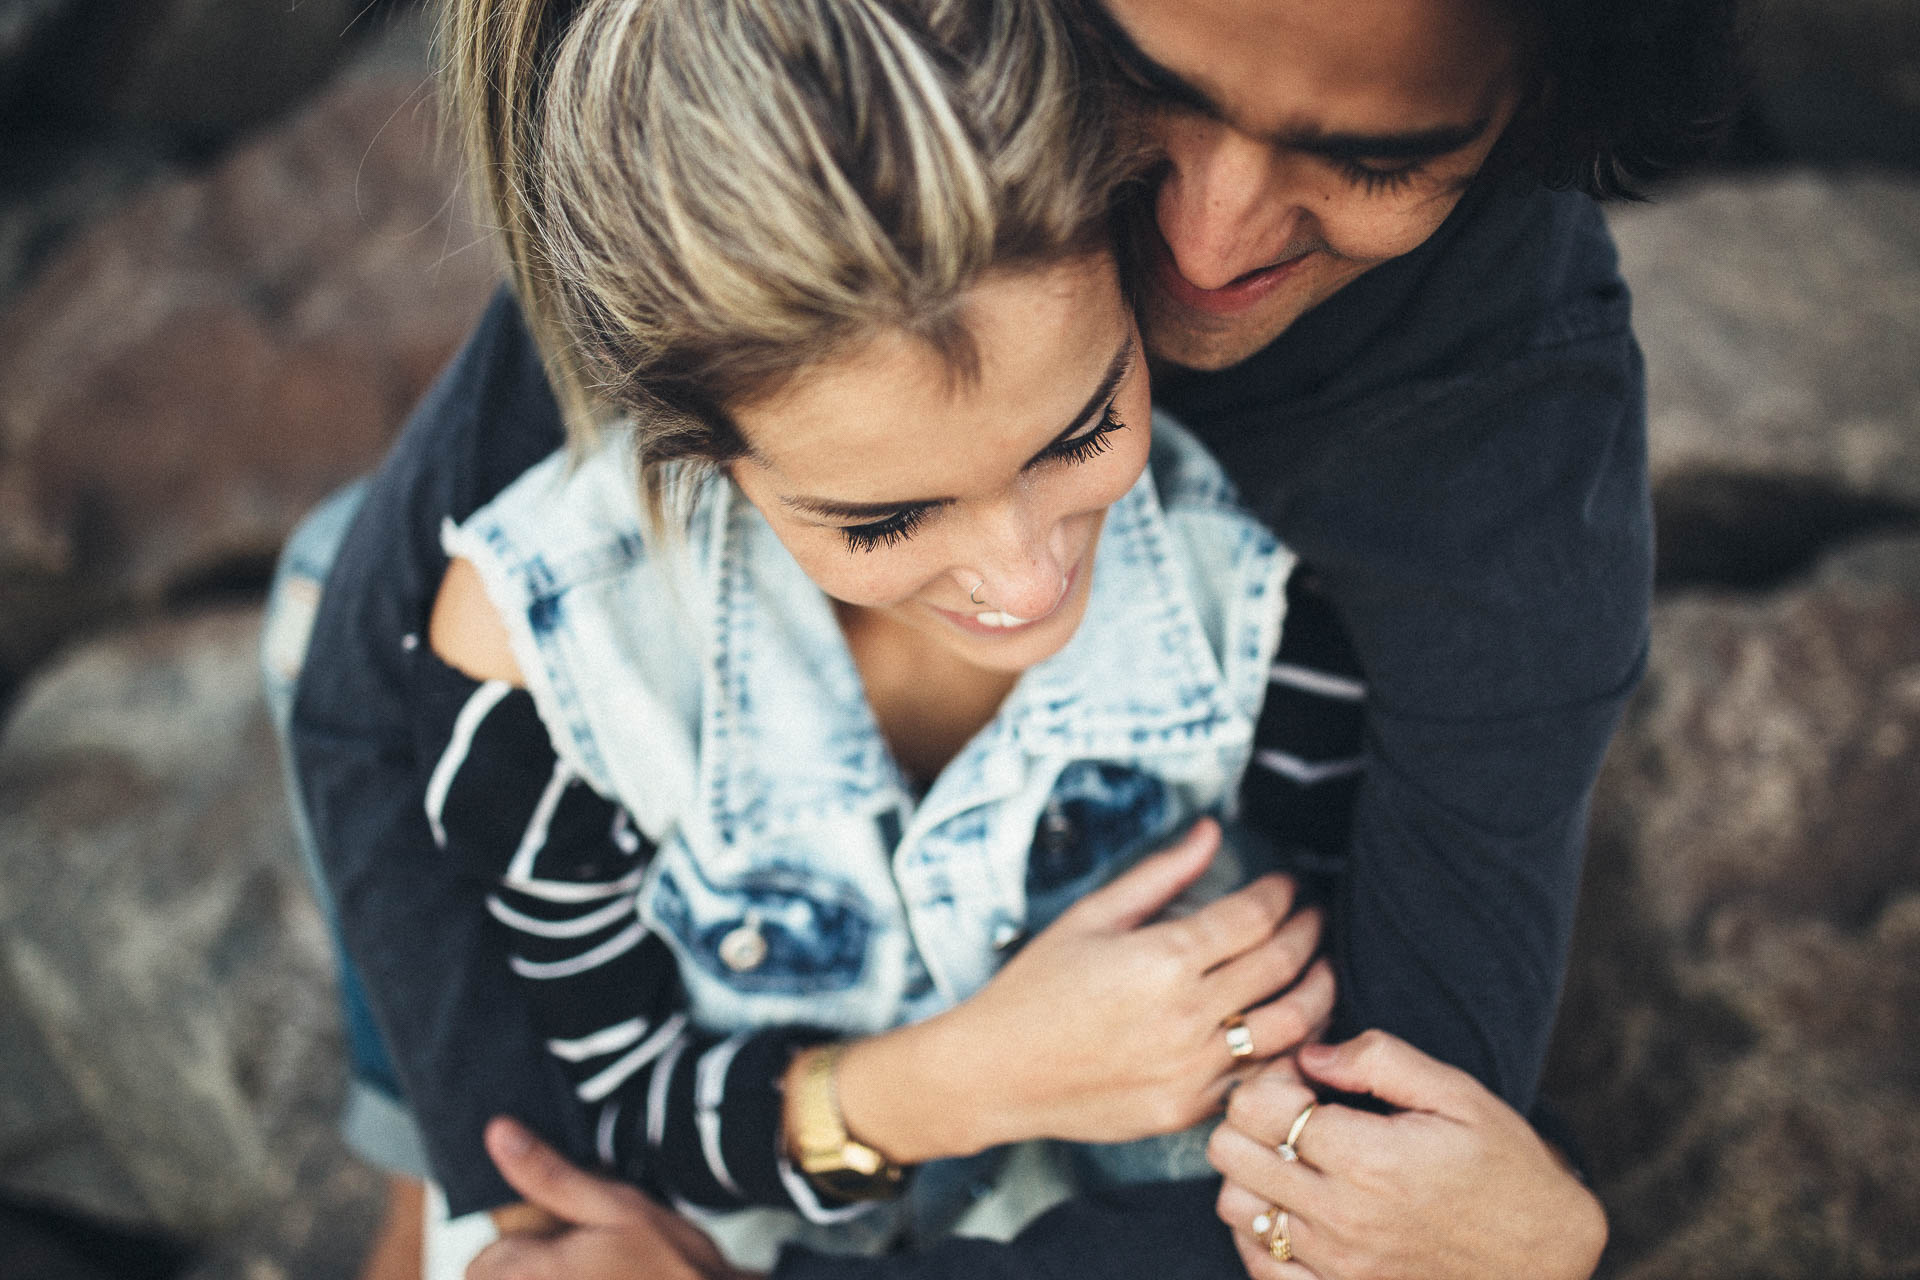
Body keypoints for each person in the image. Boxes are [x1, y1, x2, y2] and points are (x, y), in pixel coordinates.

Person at [268, 0, 1739, 1275]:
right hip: (747, 1056)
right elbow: (367, 694)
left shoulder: (1490, 489)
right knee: (367, 577)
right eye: (1153, 78)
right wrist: (524, 1209)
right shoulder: (854, 146)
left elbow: (1382, 1192)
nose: (1206, 236)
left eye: (1372, 156)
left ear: (1532, 108)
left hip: (1119, 1068)